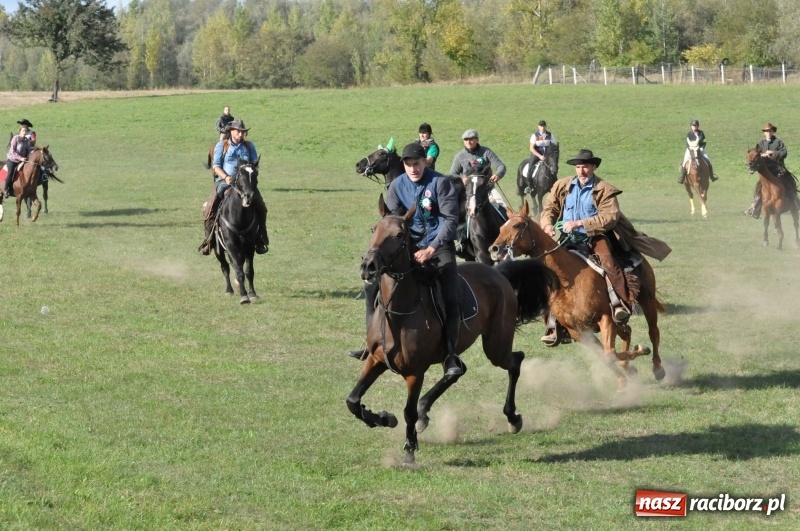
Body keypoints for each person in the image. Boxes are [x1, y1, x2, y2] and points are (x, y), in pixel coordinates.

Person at [348, 143, 464, 377]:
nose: (413, 168)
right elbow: (392, 219)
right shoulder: (397, 185)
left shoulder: (440, 183)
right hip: (407, 246)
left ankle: (450, 354)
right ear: (403, 165)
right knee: (372, 286)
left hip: (439, 247)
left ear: (425, 162)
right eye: (409, 164)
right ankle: (371, 343)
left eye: (417, 164)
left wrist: (431, 248)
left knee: (450, 293)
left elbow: (450, 220)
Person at [539, 149, 671, 342]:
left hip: (596, 237)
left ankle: (619, 305)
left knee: (609, 264)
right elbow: (550, 208)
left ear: (594, 167)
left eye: (585, 167)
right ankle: (553, 322)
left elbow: (610, 217)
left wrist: (580, 223)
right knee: (549, 273)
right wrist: (547, 225)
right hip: (568, 239)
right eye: (578, 167)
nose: (581, 171)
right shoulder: (563, 185)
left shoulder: (604, 189)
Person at [199, 119, 269, 255]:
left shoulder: (249, 146)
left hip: (245, 184)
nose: (241, 135)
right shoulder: (221, 146)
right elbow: (216, 166)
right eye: (238, 132)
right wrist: (226, 177)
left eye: (243, 132)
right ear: (231, 131)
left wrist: (250, 175)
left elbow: (255, 165)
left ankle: (261, 237)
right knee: (209, 208)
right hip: (224, 182)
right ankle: (208, 240)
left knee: (261, 207)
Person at [449, 129, 508, 207]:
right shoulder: (459, 156)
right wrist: (462, 179)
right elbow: (452, 175)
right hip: (467, 191)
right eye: (466, 139)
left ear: (477, 139)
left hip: (487, 189)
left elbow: (501, 166)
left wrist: (498, 174)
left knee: (503, 207)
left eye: (471, 139)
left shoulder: (487, 152)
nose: (468, 142)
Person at [745, 122, 789, 218]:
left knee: (789, 183)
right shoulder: (761, 143)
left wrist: (773, 152)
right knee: (759, 187)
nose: (768, 133)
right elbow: (756, 154)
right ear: (764, 132)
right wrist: (762, 154)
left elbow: (784, 153)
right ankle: (754, 208)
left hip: (778, 168)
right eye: (766, 131)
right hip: (766, 170)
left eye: (770, 131)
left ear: (773, 131)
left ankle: (795, 202)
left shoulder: (778, 142)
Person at [678, 119, 717, 184]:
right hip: (690, 150)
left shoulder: (701, 133)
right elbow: (687, 143)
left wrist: (702, 148)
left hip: (699, 149)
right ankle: (682, 177)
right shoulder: (689, 134)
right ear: (691, 126)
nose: (694, 127)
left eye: (696, 126)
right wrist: (690, 149)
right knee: (684, 162)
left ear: (698, 126)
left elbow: (704, 142)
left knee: (708, 161)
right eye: (693, 126)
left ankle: (712, 176)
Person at [4, 119, 33, 198]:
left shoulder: (27, 141)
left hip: (23, 160)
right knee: (10, 173)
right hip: (12, 160)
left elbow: (29, 151)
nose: (24, 132)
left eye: (26, 131)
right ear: (20, 131)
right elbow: (12, 151)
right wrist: (21, 158)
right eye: (23, 131)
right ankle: (6, 189)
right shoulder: (15, 138)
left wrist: (29, 156)